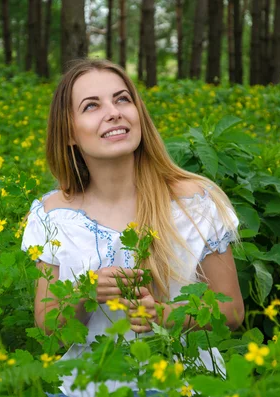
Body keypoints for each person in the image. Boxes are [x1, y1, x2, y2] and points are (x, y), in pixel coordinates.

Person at [21, 59, 244, 397]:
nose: (113, 112)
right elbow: (48, 328)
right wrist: (86, 292)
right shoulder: (54, 215)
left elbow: (232, 311)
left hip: (182, 383)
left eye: (122, 99)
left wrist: (166, 315)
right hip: (85, 385)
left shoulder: (195, 202)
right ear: (68, 131)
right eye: (92, 106)